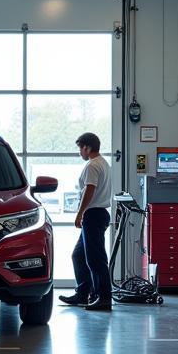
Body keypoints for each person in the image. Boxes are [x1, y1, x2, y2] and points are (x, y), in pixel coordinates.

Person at [59, 131, 113, 311]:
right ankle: (83, 294)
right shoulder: (104, 163)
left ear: (87, 147)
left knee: (95, 259)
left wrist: (80, 213)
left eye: (80, 149)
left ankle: (103, 297)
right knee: (79, 255)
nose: (79, 153)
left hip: (93, 214)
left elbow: (89, 190)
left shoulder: (92, 166)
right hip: (99, 214)